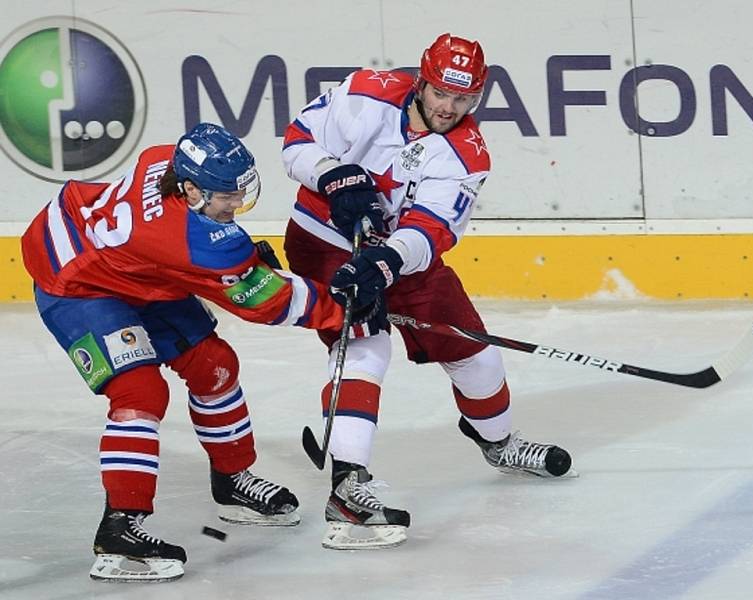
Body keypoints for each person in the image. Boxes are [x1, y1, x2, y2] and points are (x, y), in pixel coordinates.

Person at [20, 123, 382, 582]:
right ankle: (119, 527)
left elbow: (188, 245)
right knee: (140, 391)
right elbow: (268, 303)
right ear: (190, 189)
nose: (237, 203)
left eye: (239, 190)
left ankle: (231, 481)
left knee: (215, 366)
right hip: (74, 280)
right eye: (226, 195)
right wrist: (348, 308)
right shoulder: (197, 244)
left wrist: (242, 259)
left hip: (133, 267)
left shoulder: (163, 159)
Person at [282, 33, 574, 550]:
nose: (449, 107)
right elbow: (298, 140)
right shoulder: (365, 92)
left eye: (463, 99)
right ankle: (348, 486)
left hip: (402, 258)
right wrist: (334, 176)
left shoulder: (467, 154)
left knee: (475, 355)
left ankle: (498, 443)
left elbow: (430, 230)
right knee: (367, 345)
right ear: (422, 79)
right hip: (325, 242)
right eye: (441, 93)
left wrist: (387, 260)